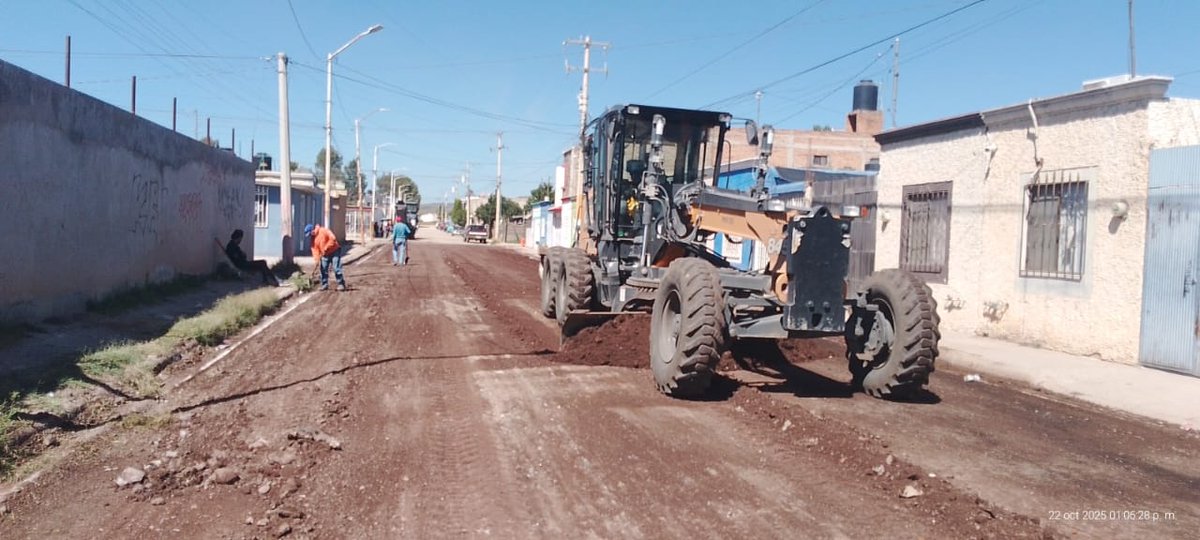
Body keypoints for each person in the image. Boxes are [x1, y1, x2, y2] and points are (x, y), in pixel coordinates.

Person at [305, 223, 348, 291]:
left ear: (313, 230)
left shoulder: (323, 231)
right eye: (309, 235)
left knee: (336, 268)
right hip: (325, 254)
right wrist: (316, 259)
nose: (310, 235)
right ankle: (324, 284)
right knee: (323, 269)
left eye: (310, 233)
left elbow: (333, 238)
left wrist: (326, 247)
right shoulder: (312, 239)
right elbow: (315, 250)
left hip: (334, 251)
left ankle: (341, 284)